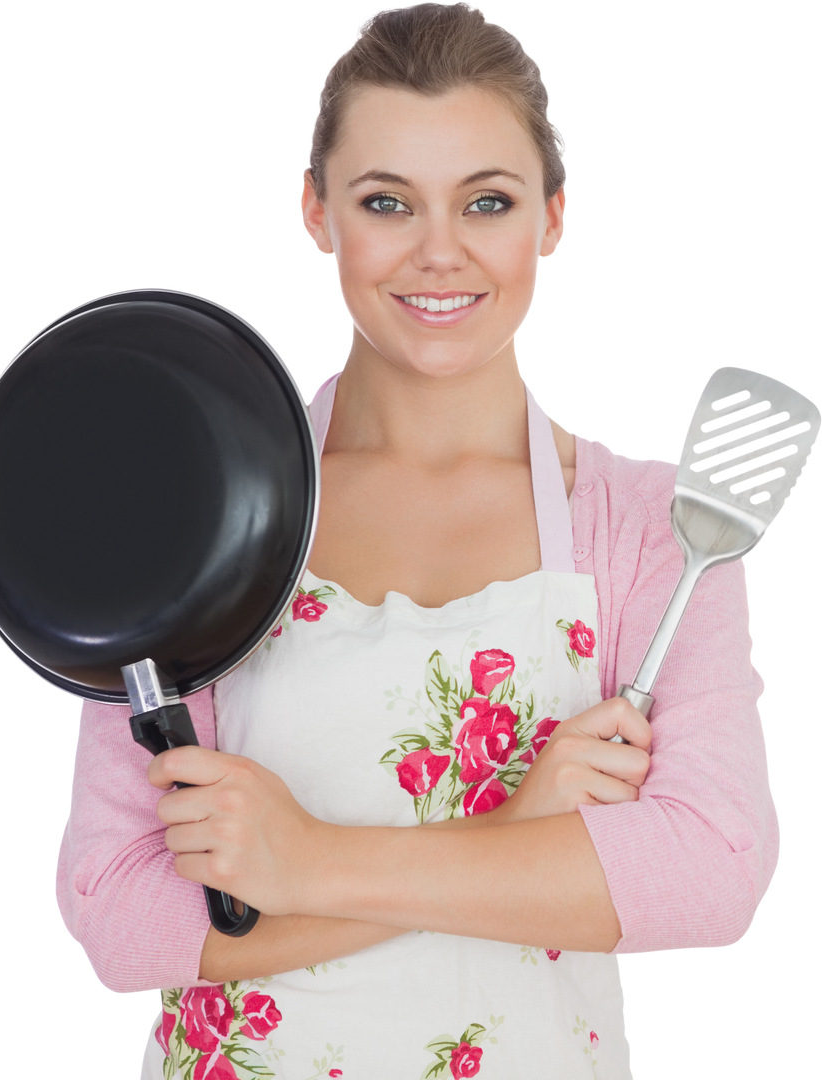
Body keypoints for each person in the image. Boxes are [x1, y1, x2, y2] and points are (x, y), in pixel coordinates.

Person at [53, 4, 781, 1077]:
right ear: (313, 213)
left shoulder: (653, 526)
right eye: (384, 201)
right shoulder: (194, 518)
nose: (438, 253)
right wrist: (518, 835)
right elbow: (118, 923)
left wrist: (304, 864)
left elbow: (713, 878)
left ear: (551, 218)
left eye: (485, 201)